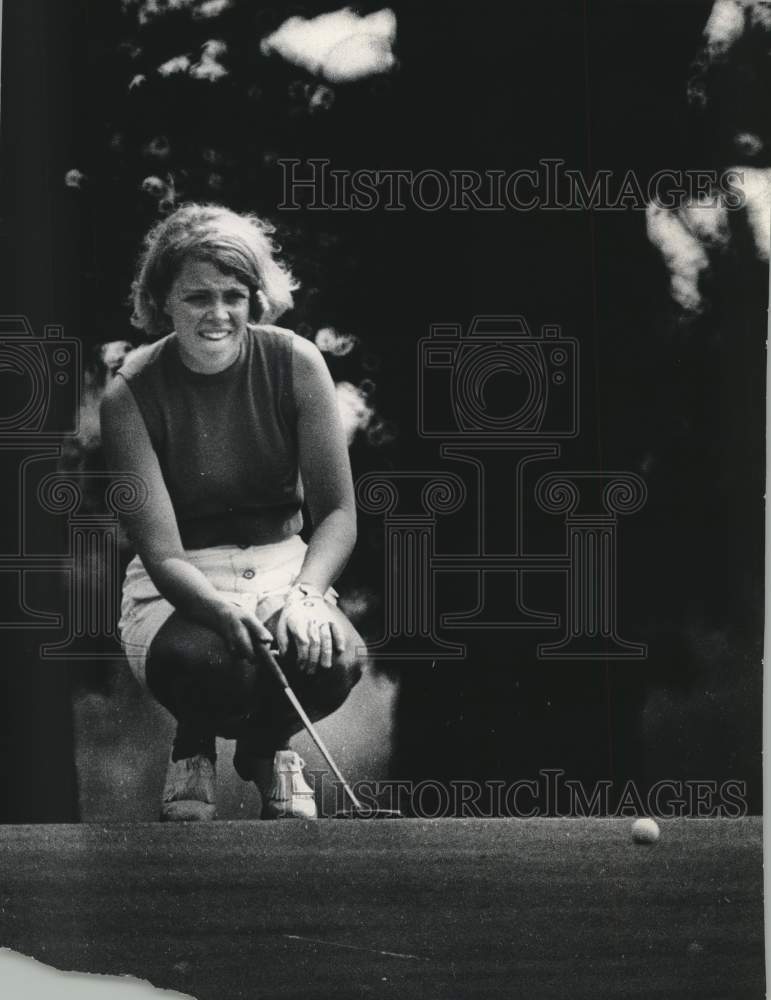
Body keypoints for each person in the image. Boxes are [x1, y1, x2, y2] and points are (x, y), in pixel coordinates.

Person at [101, 203, 365, 821]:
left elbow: (337, 514)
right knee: (213, 659)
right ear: (163, 299)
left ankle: (268, 747)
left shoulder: (297, 362)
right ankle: (193, 742)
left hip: (284, 571)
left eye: (234, 296)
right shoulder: (130, 392)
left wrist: (304, 596)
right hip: (180, 582)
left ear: (256, 298)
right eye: (197, 297)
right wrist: (218, 609)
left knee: (335, 660)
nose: (218, 315)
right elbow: (161, 552)